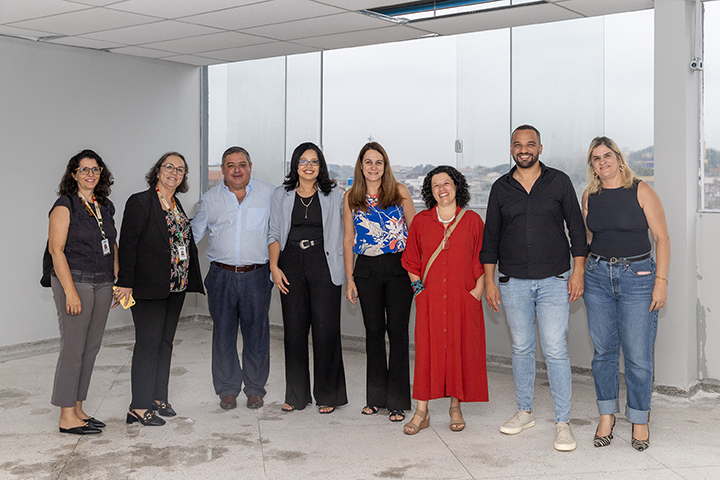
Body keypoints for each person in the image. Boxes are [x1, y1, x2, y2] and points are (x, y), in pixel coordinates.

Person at [481, 125, 588, 451]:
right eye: (517, 144)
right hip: (512, 282)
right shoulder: (500, 187)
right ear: (511, 149)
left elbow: (577, 230)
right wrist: (489, 280)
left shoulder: (559, 181)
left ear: (540, 148)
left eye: (530, 144)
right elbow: (491, 238)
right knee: (522, 349)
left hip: (555, 280)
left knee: (555, 349)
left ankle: (563, 422)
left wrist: (578, 271)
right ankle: (524, 411)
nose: (523, 149)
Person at [581, 136, 670, 451]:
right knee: (603, 353)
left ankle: (640, 419)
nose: (602, 162)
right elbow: (590, 238)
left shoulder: (642, 191)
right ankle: (607, 415)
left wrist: (661, 281)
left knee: (637, 355)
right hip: (597, 278)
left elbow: (662, 238)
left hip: (639, 278)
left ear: (619, 158)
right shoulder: (589, 196)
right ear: (591, 165)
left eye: (607, 155)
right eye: (596, 158)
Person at [115, 152, 204, 426]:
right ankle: (139, 407)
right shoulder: (140, 202)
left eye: (180, 169)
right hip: (147, 287)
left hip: (175, 287)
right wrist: (124, 284)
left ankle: (158, 398)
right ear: (157, 171)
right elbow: (128, 245)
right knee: (147, 345)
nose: (174, 173)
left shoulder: (176, 204)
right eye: (169, 167)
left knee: (165, 343)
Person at [401, 165, 487, 435]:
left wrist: (478, 291)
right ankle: (421, 411)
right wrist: (419, 290)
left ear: (457, 186)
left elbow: (483, 259)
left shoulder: (472, 220)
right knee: (427, 352)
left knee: (459, 349)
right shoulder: (421, 222)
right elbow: (411, 259)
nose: (442, 189)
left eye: (447, 183)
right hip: (431, 300)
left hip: (464, 298)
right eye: (436, 185)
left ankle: (455, 407)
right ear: (430, 191)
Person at [191, 146, 275, 411]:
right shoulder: (210, 199)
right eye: (230, 165)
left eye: (241, 164)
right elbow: (192, 236)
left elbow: (279, 232)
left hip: (257, 275)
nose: (236, 170)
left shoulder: (270, 194)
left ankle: (254, 389)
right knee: (223, 335)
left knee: (257, 335)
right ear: (223, 169)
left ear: (250, 166)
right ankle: (227, 390)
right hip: (221, 277)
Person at [268, 142, 348, 414]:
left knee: (326, 330)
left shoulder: (334, 194)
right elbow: (274, 232)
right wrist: (274, 266)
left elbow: (348, 226)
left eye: (314, 161)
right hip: (290, 263)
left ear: (321, 166)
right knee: (294, 330)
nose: (309, 166)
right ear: (295, 165)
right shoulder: (281, 194)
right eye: (303, 161)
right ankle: (296, 395)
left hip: (323, 263)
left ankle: (328, 395)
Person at [343, 142, 416, 422]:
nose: (373, 167)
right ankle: (374, 398)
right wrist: (350, 278)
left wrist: (416, 274)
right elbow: (349, 240)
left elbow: (415, 234)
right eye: (368, 162)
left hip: (398, 268)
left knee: (397, 333)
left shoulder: (399, 193)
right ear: (361, 166)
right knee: (373, 333)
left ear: (385, 166)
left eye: (379, 162)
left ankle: (397, 401)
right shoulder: (351, 196)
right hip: (366, 270)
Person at [48, 149, 117, 435]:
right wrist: (70, 292)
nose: (90, 174)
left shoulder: (105, 205)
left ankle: (78, 408)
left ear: (102, 173)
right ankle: (66, 416)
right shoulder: (65, 205)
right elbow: (56, 250)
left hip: (102, 282)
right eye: (84, 169)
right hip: (75, 281)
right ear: (74, 174)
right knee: (73, 348)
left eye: (95, 169)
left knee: (91, 347)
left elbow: (112, 243)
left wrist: (116, 278)